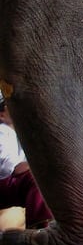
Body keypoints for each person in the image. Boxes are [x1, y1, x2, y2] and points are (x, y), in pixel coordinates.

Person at [0, 94, 53, 229]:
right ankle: (40, 228)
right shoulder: (3, 131)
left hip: (11, 184)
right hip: (4, 182)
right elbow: (11, 169)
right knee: (36, 177)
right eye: (9, 106)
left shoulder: (21, 135)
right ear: (2, 115)